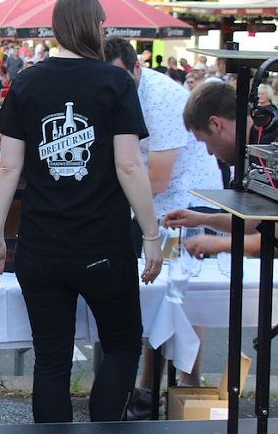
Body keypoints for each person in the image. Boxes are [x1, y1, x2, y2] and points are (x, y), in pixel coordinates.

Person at [0, 0, 161, 423]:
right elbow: (129, 167)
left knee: (52, 358)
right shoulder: (115, 82)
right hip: (102, 242)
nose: (104, 31)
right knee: (121, 346)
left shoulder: (25, 82)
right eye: (102, 24)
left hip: (41, 243)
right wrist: (152, 235)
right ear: (93, 26)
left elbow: (8, 169)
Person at [104, 38, 224, 414]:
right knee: (152, 297)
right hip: (149, 202)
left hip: (189, 201)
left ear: (137, 68)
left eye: (122, 78)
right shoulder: (111, 89)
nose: (116, 86)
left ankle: (188, 388)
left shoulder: (163, 98)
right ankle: (145, 386)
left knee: (184, 297)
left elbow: (157, 178)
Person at [163, 81, 278, 255]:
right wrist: (201, 219)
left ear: (216, 124)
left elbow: (274, 238)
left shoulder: (270, 149)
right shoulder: (256, 148)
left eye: (204, 141)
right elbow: (256, 220)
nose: (209, 152)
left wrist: (219, 243)